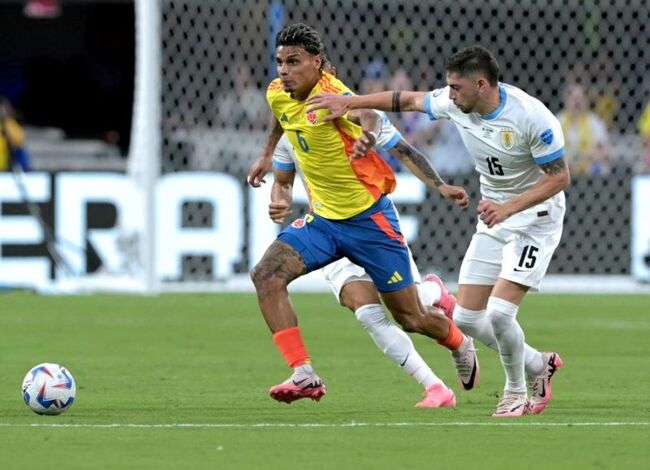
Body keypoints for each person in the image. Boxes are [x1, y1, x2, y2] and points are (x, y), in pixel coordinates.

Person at [308, 45, 571, 417]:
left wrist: (507, 208)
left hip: (535, 219)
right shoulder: (454, 102)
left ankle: (515, 391)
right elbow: (406, 100)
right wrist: (349, 102)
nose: (449, 94)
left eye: (456, 88)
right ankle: (537, 364)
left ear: (481, 85)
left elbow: (560, 177)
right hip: (494, 216)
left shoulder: (531, 118)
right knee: (465, 318)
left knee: (498, 313)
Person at [251, 23, 478, 406]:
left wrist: (439, 185)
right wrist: (267, 153)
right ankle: (303, 373)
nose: (284, 70)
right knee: (265, 275)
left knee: (412, 318)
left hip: (369, 222)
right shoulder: (278, 92)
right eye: (279, 62)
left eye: (293, 62)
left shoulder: (336, 98)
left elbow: (373, 119)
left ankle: (459, 341)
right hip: (324, 223)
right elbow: (281, 118)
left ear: (317, 63)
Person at [557, 82, 610, 176]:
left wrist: (592, 155)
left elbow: (604, 149)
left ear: (586, 101)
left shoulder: (594, 121)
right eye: (573, 99)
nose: (577, 102)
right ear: (566, 100)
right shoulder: (558, 121)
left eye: (580, 98)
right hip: (565, 167)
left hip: (588, 167)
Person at [0, 96, 31, 172]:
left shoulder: (10, 123)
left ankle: (25, 173)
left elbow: (18, 140)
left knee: (20, 151)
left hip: (5, 163)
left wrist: (5, 124)